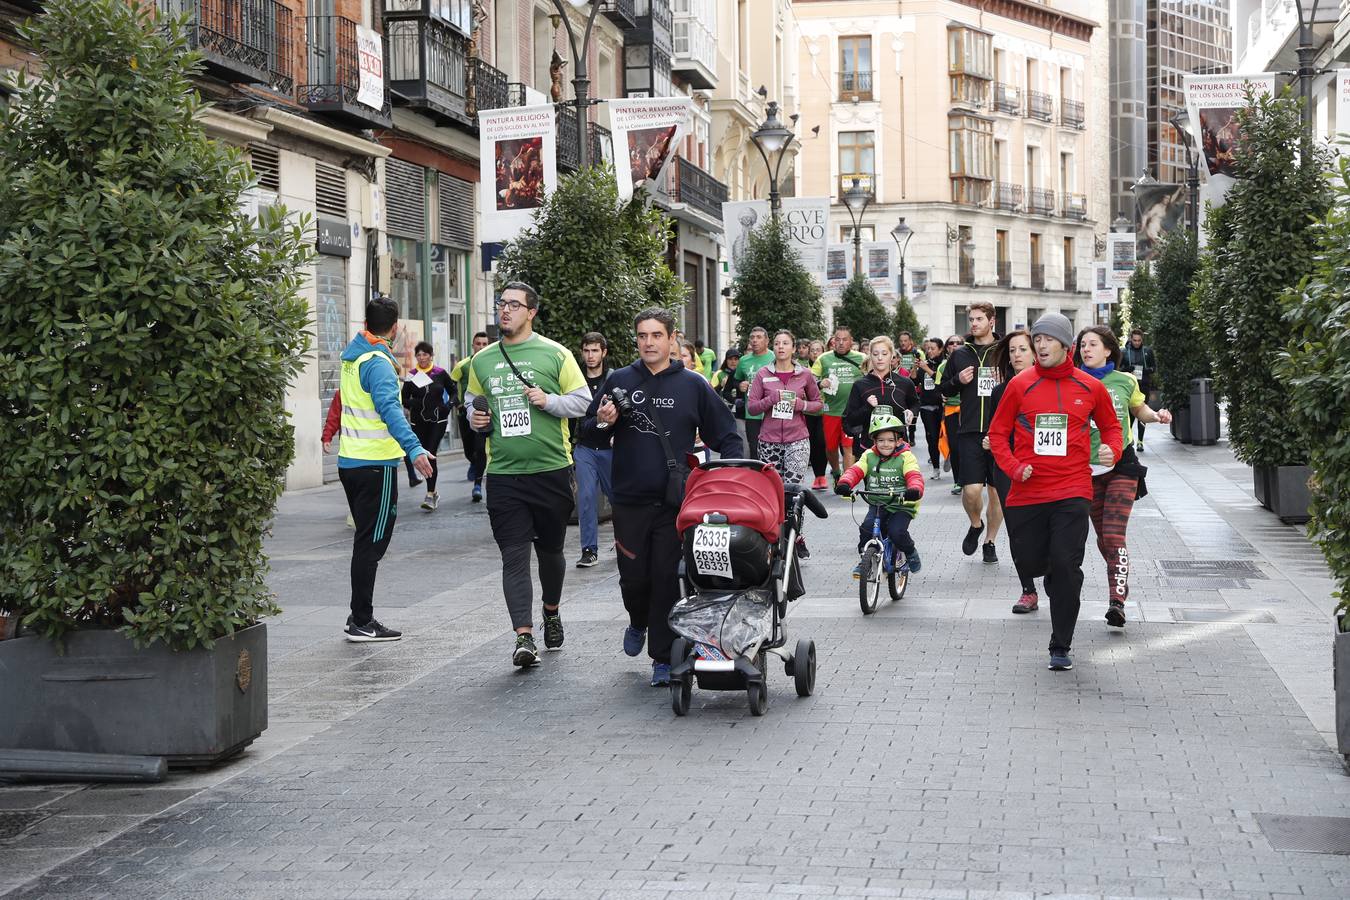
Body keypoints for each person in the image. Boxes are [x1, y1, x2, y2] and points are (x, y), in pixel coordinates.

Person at [579, 307, 743, 687]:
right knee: (634, 579)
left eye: (656, 335)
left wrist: (735, 475)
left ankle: (662, 659)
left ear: (672, 339)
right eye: (642, 336)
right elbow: (588, 433)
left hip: (675, 503)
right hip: (629, 500)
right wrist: (604, 421)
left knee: (666, 579)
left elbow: (726, 435)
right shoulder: (619, 381)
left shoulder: (693, 384)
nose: (649, 342)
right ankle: (637, 620)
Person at [466, 282, 592, 668]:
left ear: (531, 312)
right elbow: (473, 403)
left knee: (551, 551)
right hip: (504, 476)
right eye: (501, 304)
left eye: (514, 305)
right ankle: (524, 637)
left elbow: (583, 401)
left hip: (551, 472)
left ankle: (551, 610)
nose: (505, 311)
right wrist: (476, 418)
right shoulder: (482, 360)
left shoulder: (556, 354)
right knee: (514, 557)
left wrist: (548, 401)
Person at [987, 313, 1122, 671]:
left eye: (1048, 340)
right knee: (1032, 562)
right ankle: (1049, 575)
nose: (1041, 345)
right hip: (1027, 492)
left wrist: (1113, 449)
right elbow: (998, 435)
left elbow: (1112, 428)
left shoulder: (1090, 388)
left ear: (1067, 347)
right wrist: (1014, 467)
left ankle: (1060, 643)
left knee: (1066, 566)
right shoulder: (1020, 385)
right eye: (1038, 339)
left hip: (1072, 489)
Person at [336, 296, 435, 642]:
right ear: (395, 328)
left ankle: (359, 617)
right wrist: (414, 449)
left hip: (351, 461)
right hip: (374, 465)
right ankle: (362, 620)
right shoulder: (377, 362)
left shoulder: (354, 355)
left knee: (366, 541)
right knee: (371, 544)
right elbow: (390, 410)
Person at [1076, 326, 1172, 627]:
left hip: (1121, 466)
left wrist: (1156, 416)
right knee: (1104, 538)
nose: (1086, 349)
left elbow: (1139, 410)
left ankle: (1116, 601)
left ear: (1108, 350)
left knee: (1115, 534)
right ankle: (1119, 579)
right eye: (1082, 345)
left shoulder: (1125, 380)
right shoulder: (1071, 382)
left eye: (1093, 344)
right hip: (1085, 471)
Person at [940, 302, 1004, 563]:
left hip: (999, 432)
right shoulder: (959, 354)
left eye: (979, 319)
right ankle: (975, 524)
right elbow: (944, 390)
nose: (973, 323)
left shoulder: (1003, 351)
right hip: (969, 431)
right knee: (971, 491)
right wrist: (958, 381)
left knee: (996, 493)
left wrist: (1006, 382)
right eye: (971, 319)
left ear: (992, 321)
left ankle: (990, 541)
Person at [984, 330, 1040, 613]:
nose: (1017, 355)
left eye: (1022, 349)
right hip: (1007, 468)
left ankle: (1053, 575)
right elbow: (996, 430)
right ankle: (1028, 590)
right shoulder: (1000, 391)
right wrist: (991, 440)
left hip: (1043, 468)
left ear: (1035, 353)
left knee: (1043, 528)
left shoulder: (1047, 386)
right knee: (1017, 530)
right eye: (1012, 350)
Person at [834, 413, 925, 578]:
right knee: (867, 529)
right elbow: (856, 470)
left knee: (897, 531)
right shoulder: (869, 455)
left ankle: (910, 552)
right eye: (881, 440)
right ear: (874, 441)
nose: (886, 444)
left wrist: (914, 489)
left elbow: (914, 476)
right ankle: (865, 559)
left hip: (901, 503)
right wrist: (845, 483)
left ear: (899, 441)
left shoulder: (906, 457)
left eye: (891, 440)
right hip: (877, 503)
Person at [747, 329, 824, 487]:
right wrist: (770, 400)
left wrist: (801, 405)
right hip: (769, 441)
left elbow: (818, 404)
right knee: (772, 489)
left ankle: (794, 513)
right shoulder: (763, 374)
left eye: (785, 343)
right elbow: (752, 408)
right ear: (773, 348)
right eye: (777, 343)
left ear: (793, 348)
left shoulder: (805, 374)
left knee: (792, 489)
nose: (780, 347)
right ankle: (777, 513)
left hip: (797, 440)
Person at [573, 332, 614, 568]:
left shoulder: (614, 378)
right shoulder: (575, 380)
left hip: (610, 449)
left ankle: (625, 544)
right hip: (585, 448)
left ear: (603, 352)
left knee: (619, 498)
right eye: (587, 350)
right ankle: (589, 550)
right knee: (586, 498)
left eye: (595, 350)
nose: (591, 355)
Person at [400, 341, 456, 511]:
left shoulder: (440, 373)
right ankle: (433, 491)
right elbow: (404, 399)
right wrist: (415, 403)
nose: (422, 357)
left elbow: (454, 390)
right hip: (419, 422)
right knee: (424, 454)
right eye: (419, 354)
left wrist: (448, 406)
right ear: (416, 357)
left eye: (425, 354)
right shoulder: (412, 375)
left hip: (438, 421)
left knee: (431, 453)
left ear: (431, 356)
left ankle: (430, 493)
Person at [842, 335, 921, 456]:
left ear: (891, 356)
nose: (880, 358)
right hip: (869, 449)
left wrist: (911, 412)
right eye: (875, 354)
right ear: (870, 356)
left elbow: (915, 403)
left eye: (884, 354)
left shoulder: (905, 383)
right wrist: (867, 407)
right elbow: (849, 420)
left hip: (899, 449)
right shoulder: (860, 385)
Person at [811, 326, 867, 482]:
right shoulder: (823, 358)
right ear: (833, 341)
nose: (841, 343)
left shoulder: (862, 358)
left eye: (845, 339)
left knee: (848, 447)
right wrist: (820, 383)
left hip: (851, 413)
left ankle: (847, 481)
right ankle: (836, 473)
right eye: (838, 339)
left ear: (851, 342)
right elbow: (809, 381)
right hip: (831, 411)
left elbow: (873, 376)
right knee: (830, 447)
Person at [450, 331, 490, 502]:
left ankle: (478, 485)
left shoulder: (492, 363)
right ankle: (473, 463)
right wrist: (458, 404)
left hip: (484, 415)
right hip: (465, 413)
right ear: (472, 345)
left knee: (481, 449)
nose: (481, 347)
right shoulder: (463, 365)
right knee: (469, 450)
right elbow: (451, 385)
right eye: (478, 344)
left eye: (484, 344)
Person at [732, 327, 773, 458]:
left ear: (767, 341)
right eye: (752, 337)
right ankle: (757, 476)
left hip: (771, 410)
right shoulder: (744, 360)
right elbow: (735, 381)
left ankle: (772, 476)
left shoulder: (774, 357)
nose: (755, 340)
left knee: (771, 447)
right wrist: (740, 385)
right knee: (754, 448)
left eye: (759, 337)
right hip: (752, 412)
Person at [936, 336, 965, 495]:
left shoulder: (970, 361)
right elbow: (939, 388)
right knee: (954, 446)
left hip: (969, 409)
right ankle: (958, 481)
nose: (955, 345)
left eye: (958, 343)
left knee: (969, 445)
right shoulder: (942, 367)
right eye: (951, 343)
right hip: (951, 409)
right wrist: (941, 395)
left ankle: (972, 477)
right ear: (947, 348)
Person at [914, 338, 946, 481]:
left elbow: (942, 382)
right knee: (931, 437)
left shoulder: (944, 365)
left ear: (940, 350)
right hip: (926, 406)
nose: (929, 351)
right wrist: (916, 368)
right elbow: (915, 381)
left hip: (943, 406)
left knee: (947, 436)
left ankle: (949, 456)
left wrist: (927, 369)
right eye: (928, 348)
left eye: (933, 348)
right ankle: (935, 467)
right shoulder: (924, 364)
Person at [1120, 329, 1157, 451]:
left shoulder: (1147, 351)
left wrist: (1147, 370)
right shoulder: (1124, 352)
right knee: (1129, 414)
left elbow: (1154, 368)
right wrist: (1126, 369)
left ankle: (1140, 441)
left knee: (1142, 414)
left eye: (1139, 340)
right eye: (1134, 340)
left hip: (1143, 386)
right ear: (1131, 339)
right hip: (1128, 386)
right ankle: (1129, 440)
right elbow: (1118, 369)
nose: (1136, 343)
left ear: (1142, 340)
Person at [804, 339, 829, 490]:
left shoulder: (827, 367)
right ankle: (817, 476)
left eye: (817, 350)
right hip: (808, 410)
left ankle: (823, 475)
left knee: (822, 441)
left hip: (825, 410)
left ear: (823, 352)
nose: (814, 353)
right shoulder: (803, 369)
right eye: (812, 350)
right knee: (812, 443)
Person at [711, 346, 743, 413]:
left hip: (740, 410)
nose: (733, 361)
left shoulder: (743, 374)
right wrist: (720, 386)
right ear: (726, 360)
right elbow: (710, 393)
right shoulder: (719, 373)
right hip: (723, 410)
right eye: (730, 359)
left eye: (736, 359)